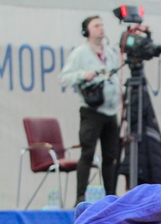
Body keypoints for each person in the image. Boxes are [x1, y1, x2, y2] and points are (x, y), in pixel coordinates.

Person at [60, 15, 121, 205]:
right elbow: (64, 77)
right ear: (87, 31)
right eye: (96, 26)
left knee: (111, 156)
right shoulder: (80, 53)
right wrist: (83, 75)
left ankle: (111, 196)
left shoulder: (110, 53)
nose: (101, 28)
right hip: (91, 111)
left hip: (110, 111)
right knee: (87, 153)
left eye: (102, 25)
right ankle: (80, 197)